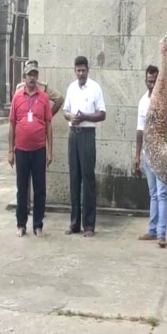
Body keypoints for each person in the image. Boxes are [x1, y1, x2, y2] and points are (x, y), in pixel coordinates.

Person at [134, 65, 167, 248]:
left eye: (155, 81)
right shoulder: (143, 101)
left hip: (161, 152)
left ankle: (162, 234)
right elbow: (139, 128)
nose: (152, 84)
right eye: (149, 81)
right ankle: (152, 230)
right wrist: (137, 155)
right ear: (146, 80)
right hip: (147, 153)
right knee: (153, 193)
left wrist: (163, 124)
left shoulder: (166, 99)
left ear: (159, 81)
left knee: (161, 193)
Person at [62, 56, 106, 237]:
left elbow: (102, 114)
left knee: (88, 179)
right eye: (78, 70)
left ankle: (89, 225)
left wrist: (86, 116)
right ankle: (74, 223)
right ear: (75, 70)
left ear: (88, 70)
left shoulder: (95, 88)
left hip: (87, 135)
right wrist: (71, 117)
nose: (81, 73)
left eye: (84, 70)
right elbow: (65, 110)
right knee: (74, 178)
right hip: (74, 135)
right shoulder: (71, 88)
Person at [8, 60, 53, 237]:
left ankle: (38, 224)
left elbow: (49, 124)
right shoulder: (17, 97)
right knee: (22, 188)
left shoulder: (44, 98)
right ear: (24, 77)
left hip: (39, 150)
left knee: (40, 188)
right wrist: (10, 150)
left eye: (35, 74)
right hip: (21, 150)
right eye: (29, 75)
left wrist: (50, 150)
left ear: (38, 77)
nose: (32, 78)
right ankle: (21, 224)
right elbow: (12, 124)